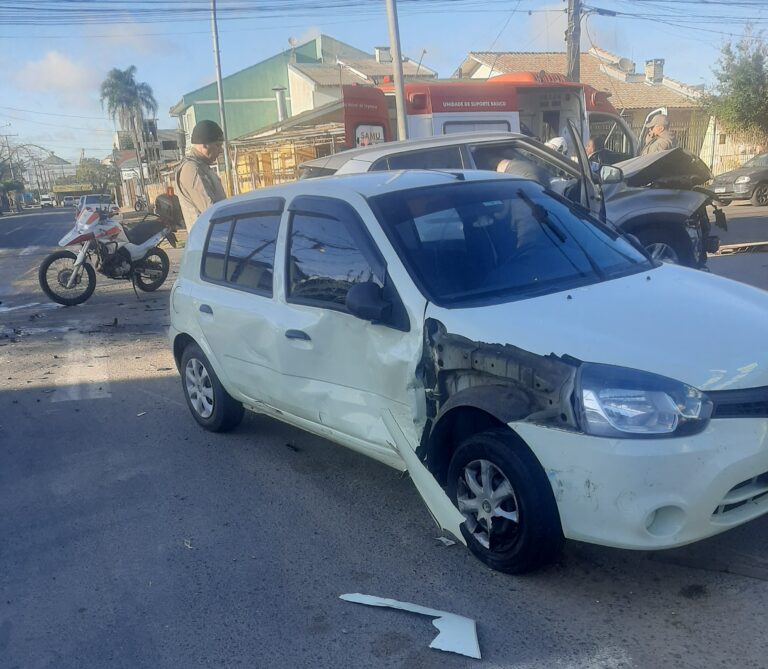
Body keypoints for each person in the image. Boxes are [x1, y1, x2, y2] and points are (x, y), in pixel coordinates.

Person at [175, 120, 228, 230]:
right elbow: (211, 211)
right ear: (205, 145)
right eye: (218, 145)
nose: (221, 150)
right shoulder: (192, 169)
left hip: (215, 237)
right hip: (207, 241)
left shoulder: (202, 166)